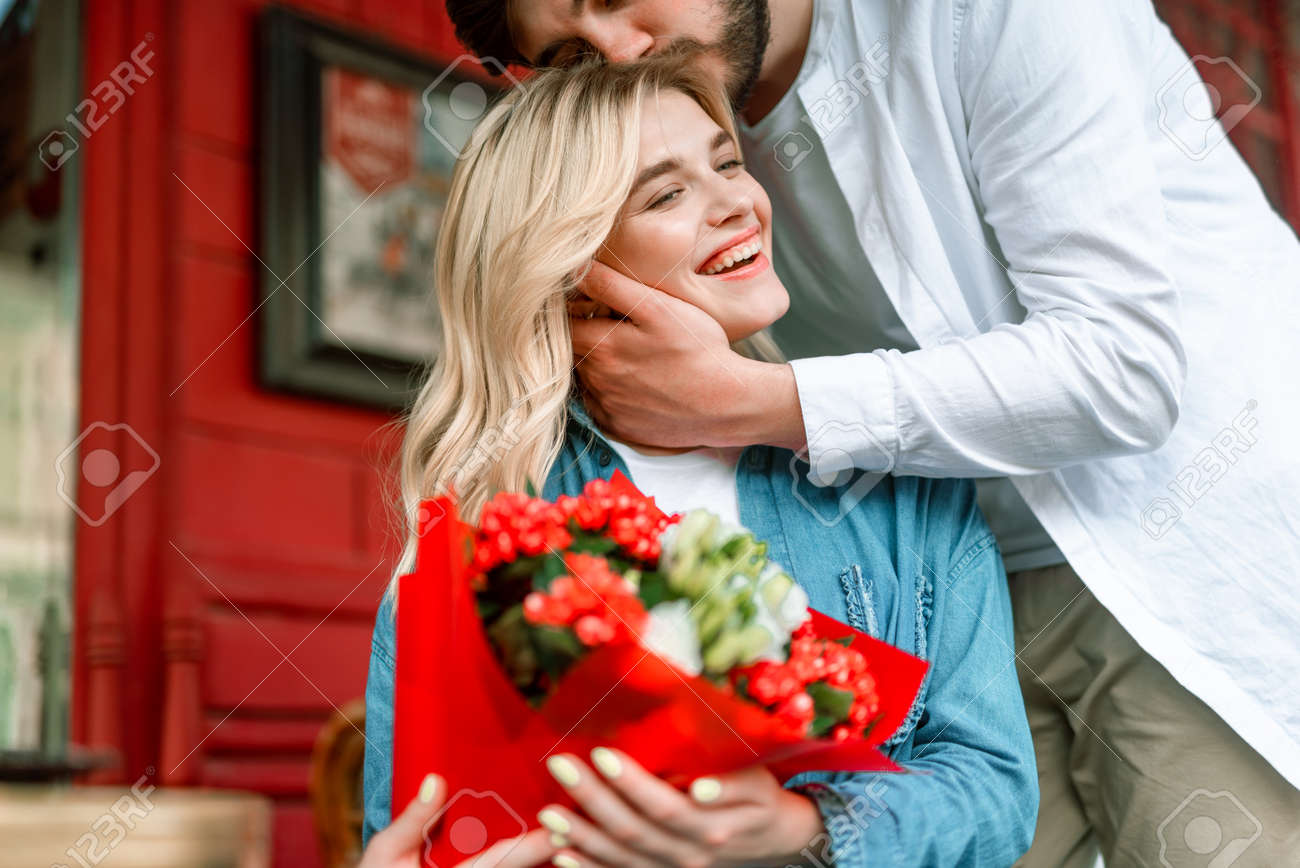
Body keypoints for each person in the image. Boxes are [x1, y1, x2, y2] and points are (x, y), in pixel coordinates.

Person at [441, 0, 1300, 864]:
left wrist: (748, 400)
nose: (622, 54)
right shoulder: (525, 518)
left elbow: (1124, 370)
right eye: (571, 54)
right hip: (948, 602)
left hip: (1179, 553)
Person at [362, 56, 1037, 867]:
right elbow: (416, 833)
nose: (739, 204)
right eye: (666, 194)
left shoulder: (903, 488)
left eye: (727, 163)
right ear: (573, 273)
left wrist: (809, 826)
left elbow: (996, 795)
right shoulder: (481, 543)